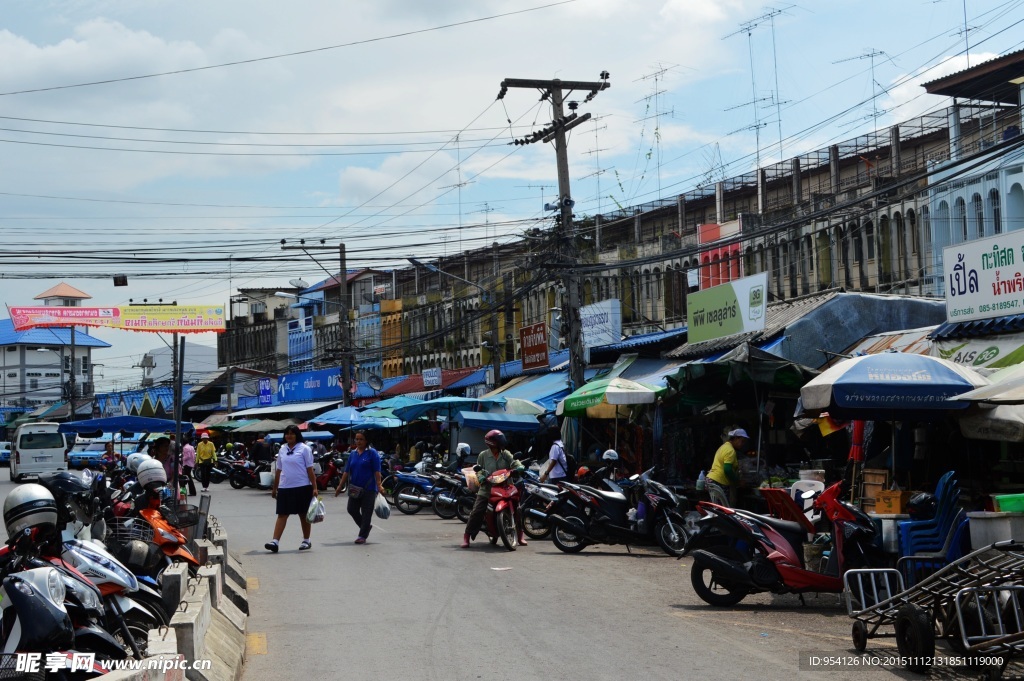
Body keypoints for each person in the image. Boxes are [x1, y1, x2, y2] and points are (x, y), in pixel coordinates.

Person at [462, 429, 526, 548]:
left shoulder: (505, 454)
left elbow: (514, 463)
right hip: (487, 488)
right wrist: (481, 477)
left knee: (517, 508)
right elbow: (479, 469)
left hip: (506, 486)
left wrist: (519, 467)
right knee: (477, 511)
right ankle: (467, 536)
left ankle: (520, 534)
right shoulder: (483, 455)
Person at [266, 424, 317, 553]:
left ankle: (306, 540)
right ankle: (275, 542)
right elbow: (279, 470)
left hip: (302, 486)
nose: (289, 436)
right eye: (287, 433)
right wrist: (275, 488)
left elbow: (310, 470)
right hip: (285, 487)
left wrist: (315, 487)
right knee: (282, 514)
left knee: (303, 514)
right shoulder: (282, 449)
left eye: (292, 433)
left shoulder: (304, 449)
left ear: (297, 435)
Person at [335, 430, 383, 544]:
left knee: (367, 513)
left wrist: (379, 485)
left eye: (361, 439)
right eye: (357, 439)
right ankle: (365, 527)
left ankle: (362, 535)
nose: (358, 441)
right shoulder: (352, 454)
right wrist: (340, 486)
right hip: (354, 488)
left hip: (369, 489)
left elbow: (377, 471)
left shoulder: (372, 453)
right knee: (351, 509)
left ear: (366, 440)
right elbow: (346, 472)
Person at [706, 428, 750, 507]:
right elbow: (728, 469)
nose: (742, 444)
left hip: (712, 479)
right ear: (736, 438)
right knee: (723, 508)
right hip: (719, 481)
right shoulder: (730, 450)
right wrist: (738, 482)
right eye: (742, 441)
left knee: (717, 507)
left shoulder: (724, 447)